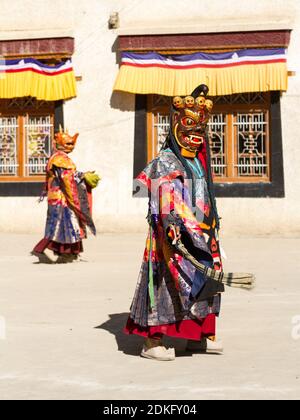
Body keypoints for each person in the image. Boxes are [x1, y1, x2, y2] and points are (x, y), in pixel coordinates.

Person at [125, 84, 225, 361]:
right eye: (189, 131)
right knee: (168, 284)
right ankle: (152, 341)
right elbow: (164, 199)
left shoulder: (199, 162)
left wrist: (211, 228)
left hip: (203, 231)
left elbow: (205, 198)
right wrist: (181, 229)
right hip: (175, 235)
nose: (195, 137)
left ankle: (199, 336)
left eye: (199, 132)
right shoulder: (166, 161)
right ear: (175, 129)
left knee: (206, 280)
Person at [32, 126, 100, 264]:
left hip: (59, 197)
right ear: (59, 143)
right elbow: (66, 178)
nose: (71, 146)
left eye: (72, 143)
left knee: (69, 225)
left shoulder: (58, 157)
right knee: (59, 226)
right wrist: (82, 177)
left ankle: (71, 253)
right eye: (68, 143)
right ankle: (39, 250)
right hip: (61, 198)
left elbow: (68, 175)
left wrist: (81, 175)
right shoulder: (60, 159)